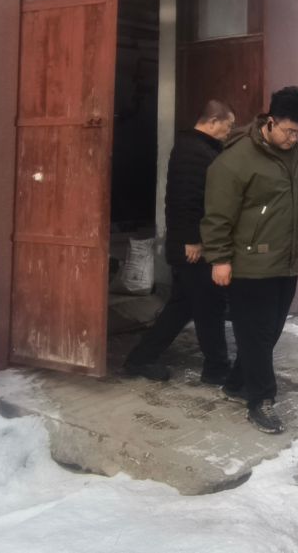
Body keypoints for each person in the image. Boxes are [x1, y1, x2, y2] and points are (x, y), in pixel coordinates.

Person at [202, 86, 298, 435]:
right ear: (270, 122)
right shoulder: (237, 158)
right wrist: (220, 259)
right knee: (256, 334)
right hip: (249, 263)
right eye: (289, 131)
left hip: (288, 260)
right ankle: (261, 399)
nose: (295, 138)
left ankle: (235, 383)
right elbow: (217, 215)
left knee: (268, 331)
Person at [120, 100, 237, 384]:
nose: (230, 130)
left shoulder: (201, 148)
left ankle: (140, 359)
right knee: (209, 307)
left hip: (193, 243)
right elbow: (186, 200)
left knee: (182, 307)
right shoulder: (193, 151)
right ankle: (217, 369)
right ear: (213, 121)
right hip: (193, 247)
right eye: (228, 124)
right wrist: (193, 241)